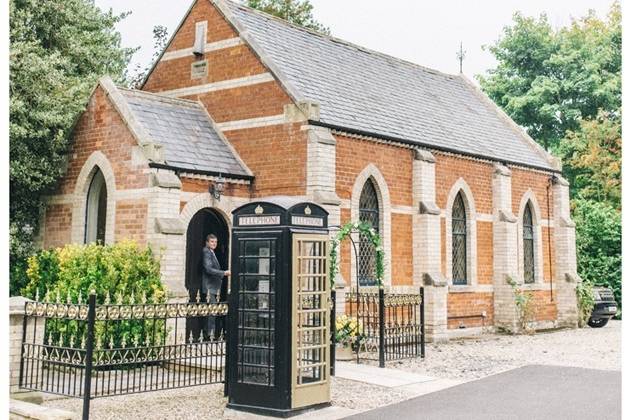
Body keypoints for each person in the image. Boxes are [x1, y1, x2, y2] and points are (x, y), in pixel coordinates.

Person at [201, 233, 230, 340]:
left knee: (212, 311)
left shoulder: (212, 252)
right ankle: (209, 335)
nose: (214, 244)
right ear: (207, 242)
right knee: (211, 311)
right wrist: (224, 273)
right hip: (209, 287)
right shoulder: (206, 252)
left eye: (215, 242)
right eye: (212, 242)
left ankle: (211, 333)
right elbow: (208, 269)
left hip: (215, 287)